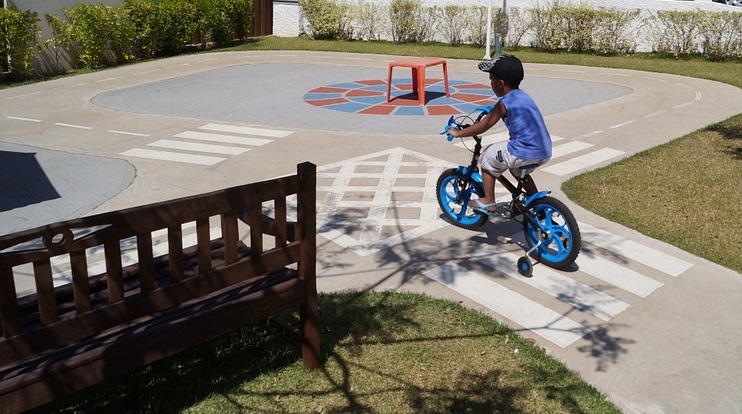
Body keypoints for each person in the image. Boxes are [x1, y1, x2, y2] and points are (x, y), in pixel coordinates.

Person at [447, 54, 552, 215]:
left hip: (524, 149)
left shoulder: (504, 103)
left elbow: (483, 126)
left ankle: (488, 202)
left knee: (487, 157)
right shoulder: (523, 96)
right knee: (516, 170)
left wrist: (458, 133)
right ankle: (536, 202)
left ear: (501, 83)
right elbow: (516, 111)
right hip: (543, 149)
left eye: (491, 80)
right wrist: (494, 109)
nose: (490, 84)